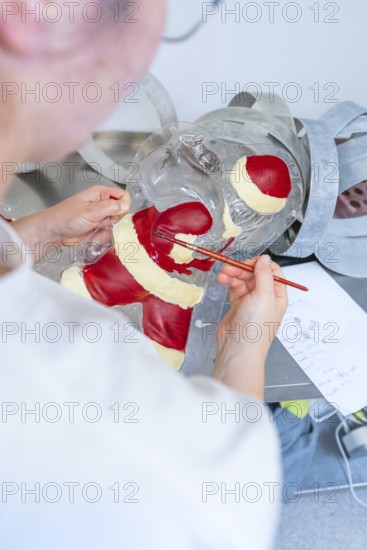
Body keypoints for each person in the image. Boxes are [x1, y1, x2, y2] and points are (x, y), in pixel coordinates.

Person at [0, 1, 288, 548]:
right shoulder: (105, 428)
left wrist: (35, 232)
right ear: (28, 15)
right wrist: (243, 347)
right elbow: (227, 497)